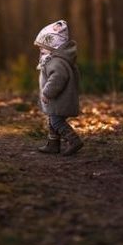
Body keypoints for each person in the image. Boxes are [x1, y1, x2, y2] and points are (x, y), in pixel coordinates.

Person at [33, 20, 83, 156]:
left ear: (53, 46)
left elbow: (58, 79)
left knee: (56, 122)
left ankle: (74, 140)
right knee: (52, 121)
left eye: (42, 47)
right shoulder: (53, 59)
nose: (40, 50)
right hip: (57, 100)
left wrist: (47, 92)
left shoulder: (57, 61)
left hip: (60, 99)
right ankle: (53, 144)